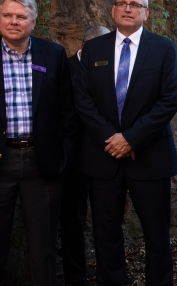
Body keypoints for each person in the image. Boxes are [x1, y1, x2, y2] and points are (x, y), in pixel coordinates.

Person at [74, 0, 177, 286]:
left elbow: (169, 100)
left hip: (149, 156)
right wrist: (113, 139)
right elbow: (83, 99)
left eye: (135, 4)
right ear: (112, 10)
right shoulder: (93, 49)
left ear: (146, 12)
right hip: (103, 156)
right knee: (105, 232)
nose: (127, 9)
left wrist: (131, 138)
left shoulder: (164, 48)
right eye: (122, 3)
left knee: (156, 233)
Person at [0, 0, 76, 285]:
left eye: (21, 16)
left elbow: (67, 111)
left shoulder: (53, 55)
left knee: (42, 250)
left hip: (41, 164)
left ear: (33, 21)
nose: (13, 22)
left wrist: (63, 155)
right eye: (8, 15)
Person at [60, 26, 110, 286]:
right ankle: (75, 276)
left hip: (105, 156)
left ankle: (108, 273)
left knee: (106, 218)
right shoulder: (63, 68)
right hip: (74, 160)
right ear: (84, 47)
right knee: (72, 220)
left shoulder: (110, 67)